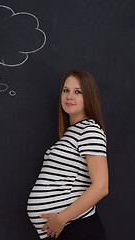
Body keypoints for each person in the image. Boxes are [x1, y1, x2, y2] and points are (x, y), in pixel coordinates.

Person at [27, 69, 109, 239]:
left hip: (78, 229)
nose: (69, 96)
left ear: (89, 96)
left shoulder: (89, 130)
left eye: (77, 92)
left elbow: (101, 186)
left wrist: (61, 218)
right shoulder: (71, 133)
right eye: (66, 90)